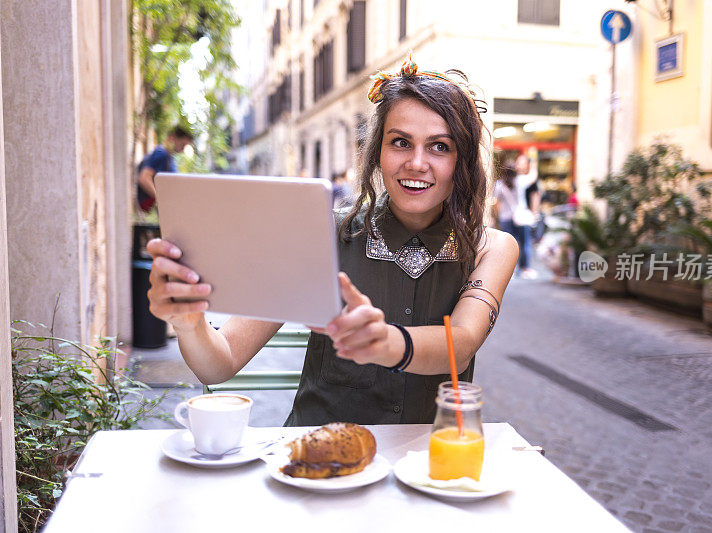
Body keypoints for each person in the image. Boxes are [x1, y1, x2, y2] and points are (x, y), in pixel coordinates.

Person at [145, 57, 518, 426]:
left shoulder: (491, 247)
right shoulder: (317, 235)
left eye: (440, 146)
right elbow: (219, 362)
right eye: (400, 142)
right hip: (318, 466)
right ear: (376, 154)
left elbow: (463, 342)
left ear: (464, 160)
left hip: (432, 466)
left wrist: (383, 342)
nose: (417, 162)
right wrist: (189, 321)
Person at [137, 126, 194, 212]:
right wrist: (161, 200)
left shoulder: (168, 156)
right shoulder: (162, 153)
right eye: (182, 145)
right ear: (172, 137)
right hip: (148, 205)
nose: (182, 150)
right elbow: (144, 179)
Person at [493, 162, 530, 275]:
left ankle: (510, 270)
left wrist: (496, 217)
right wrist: (529, 163)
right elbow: (533, 176)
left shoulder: (499, 184)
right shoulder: (521, 181)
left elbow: (496, 203)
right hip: (521, 217)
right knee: (524, 243)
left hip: (505, 218)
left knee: (508, 245)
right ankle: (525, 269)